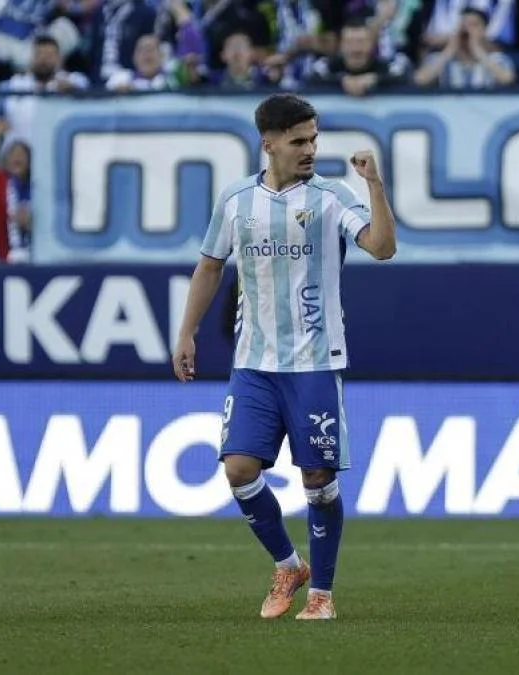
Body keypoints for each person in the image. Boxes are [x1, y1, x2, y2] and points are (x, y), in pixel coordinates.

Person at [173, 93, 397, 621]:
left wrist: (375, 185)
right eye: (299, 141)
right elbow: (210, 266)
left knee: (317, 478)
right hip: (254, 361)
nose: (310, 149)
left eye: (314, 139)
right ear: (268, 143)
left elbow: (383, 247)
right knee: (238, 469)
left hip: (315, 360)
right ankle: (288, 566)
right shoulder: (235, 200)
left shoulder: (332, 196)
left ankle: (322, 595)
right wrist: (186, 332)